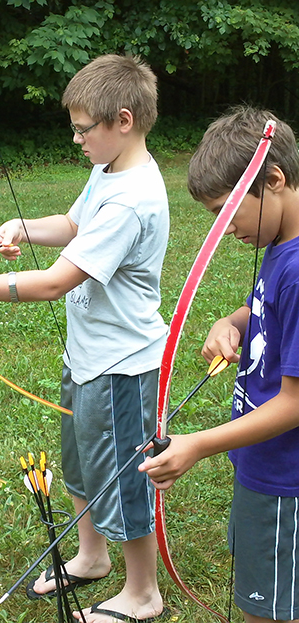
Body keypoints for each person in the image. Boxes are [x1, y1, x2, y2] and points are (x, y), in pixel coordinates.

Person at [0, 54, 169, 623]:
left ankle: (143, 593)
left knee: (122, 479)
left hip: (123, 366)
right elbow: (75, 225)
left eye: (83, 130)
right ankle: (91, 556)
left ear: (123, 120)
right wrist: (23, 227)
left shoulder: (133, 200)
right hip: (88, 356)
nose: (77, 139)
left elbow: (56, 282)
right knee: (80, 464)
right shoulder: (109, 169)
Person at [139, 106, 299, 623]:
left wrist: (198, 444)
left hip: (286, 479)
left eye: (227, 212)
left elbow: (295, 403)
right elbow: (264, 310)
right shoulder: (282, 245)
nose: (223, 228)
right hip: (263, 465)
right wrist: (229, 322)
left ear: (273, 180)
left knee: (269, 612)